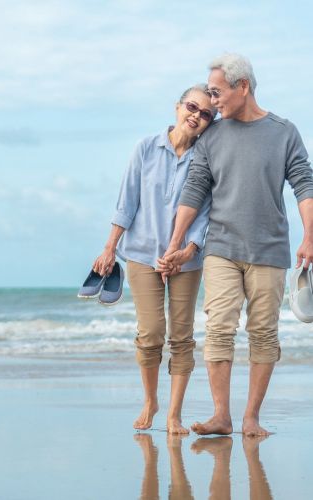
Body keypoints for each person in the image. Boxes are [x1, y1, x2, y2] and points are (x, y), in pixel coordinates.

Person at [162, 53, 313, 437]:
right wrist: (175, 244)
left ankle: (250, 419)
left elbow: (304, 184)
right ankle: (221, 416)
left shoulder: (284, 132)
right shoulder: (211, 136)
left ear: (242, 87)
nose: (213, 102)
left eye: (217, 93)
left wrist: (310, 235)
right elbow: (195, 188)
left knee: (263, 333)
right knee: (219, 330)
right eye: (209, 94)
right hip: (221, 247)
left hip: (269, 249)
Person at [93, 84, 215, 434]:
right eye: (192, 107)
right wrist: (109, 247)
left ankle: (174, 414)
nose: (197, 115)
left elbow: (206, 212)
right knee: (150, 333)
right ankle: (150, 401)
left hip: (186, 261)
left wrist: (189, 249)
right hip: (142, 255)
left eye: (206, 113)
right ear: (178, 107)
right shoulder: (145, 148)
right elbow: (126, 201)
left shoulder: (205, 158)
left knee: (182, 336)